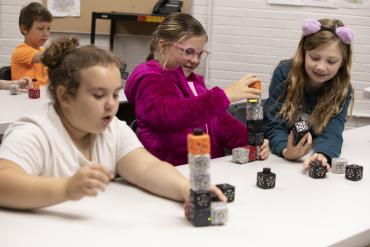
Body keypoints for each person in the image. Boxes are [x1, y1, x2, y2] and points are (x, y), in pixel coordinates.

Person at [0, 37, 226, 210]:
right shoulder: (34, 132)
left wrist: (187, 189)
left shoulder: (112, 129)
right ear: (65, 97)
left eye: (115, 95)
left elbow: (147, 168)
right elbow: (3, 183)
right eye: (99, 95)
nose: (111, 105)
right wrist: (66, 188)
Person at [124, 13, 270, 166]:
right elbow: (172, 114)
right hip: (171, 173)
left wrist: (253, 141)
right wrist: (224, 96)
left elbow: (221, 123)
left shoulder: (195, 83)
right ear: (163, 46)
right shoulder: (150, 80)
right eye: (188, 52)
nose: (195, 60)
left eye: (199, 54)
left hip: (207, 170)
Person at [263, 18, 354, 171]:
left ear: (342, 63)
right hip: (276, 157)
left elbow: (333, 130)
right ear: (304, 52)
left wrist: (323, 154)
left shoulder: (343, 89)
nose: (321, 67)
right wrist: (286, 150)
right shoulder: (284, 73)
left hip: (308, 152)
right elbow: (274, 122)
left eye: (331, 61)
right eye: (314, 58)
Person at [11, 2, 52, 85]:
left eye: (48, 29)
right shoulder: (20, 51)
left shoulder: (42, 50)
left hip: (42, 94)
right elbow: (48, 56)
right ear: (24, 29)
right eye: (41, 28)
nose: (46, 33)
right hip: (24, 97)